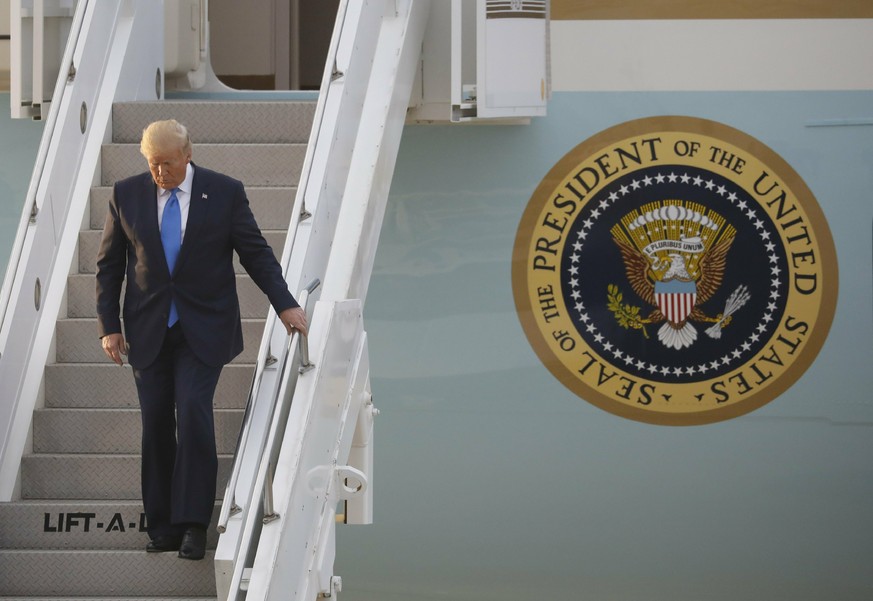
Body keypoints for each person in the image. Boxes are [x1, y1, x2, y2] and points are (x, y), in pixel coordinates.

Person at [95, 119, 307, 560]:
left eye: (167, 164)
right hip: (148, 328)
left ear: (187, 154)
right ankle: (162, 526)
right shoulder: (126, 194)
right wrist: (108, 325)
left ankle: (193, 524)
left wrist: (284, 303)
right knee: (155, 421)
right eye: (153, 164)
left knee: (192, 410)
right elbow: (110, 265)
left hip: (203, 328)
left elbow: (255, 253)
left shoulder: (224, 192)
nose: (160, 173)